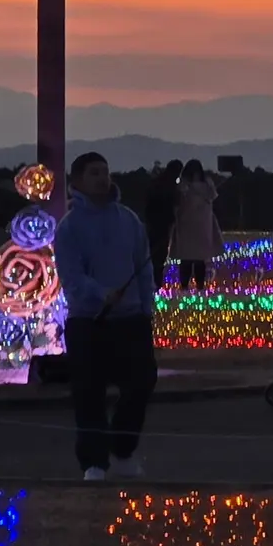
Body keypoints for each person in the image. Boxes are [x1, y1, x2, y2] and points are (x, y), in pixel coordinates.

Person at [54, 151, 157, 481]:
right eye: (94, 173)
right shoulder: (69, 228)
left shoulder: (128, 219)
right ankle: (94, 462)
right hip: (89, 321)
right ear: (78, 182)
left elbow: (143, 265)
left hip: (131, 319)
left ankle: (123, 450)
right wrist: (101, 293)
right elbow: (71, 277)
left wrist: (147, 306)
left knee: (141, 383)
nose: (102, 178)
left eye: (105, 171)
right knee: (89, 393)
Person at [173, 159, 222, 291]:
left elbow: (179, 206)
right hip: (202, 228)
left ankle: (185, 287)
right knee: (199, 260)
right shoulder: (208, 187)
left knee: (187, 259)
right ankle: (199, 287)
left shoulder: (184, 187)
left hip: (187, 228)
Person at [143, 159, 183, 291]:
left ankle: (152, 280)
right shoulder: (170, 186)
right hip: (162, 223)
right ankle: (156, 281)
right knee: (159, 254)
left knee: (153, 251)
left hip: (153, 221)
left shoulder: (156, 183)